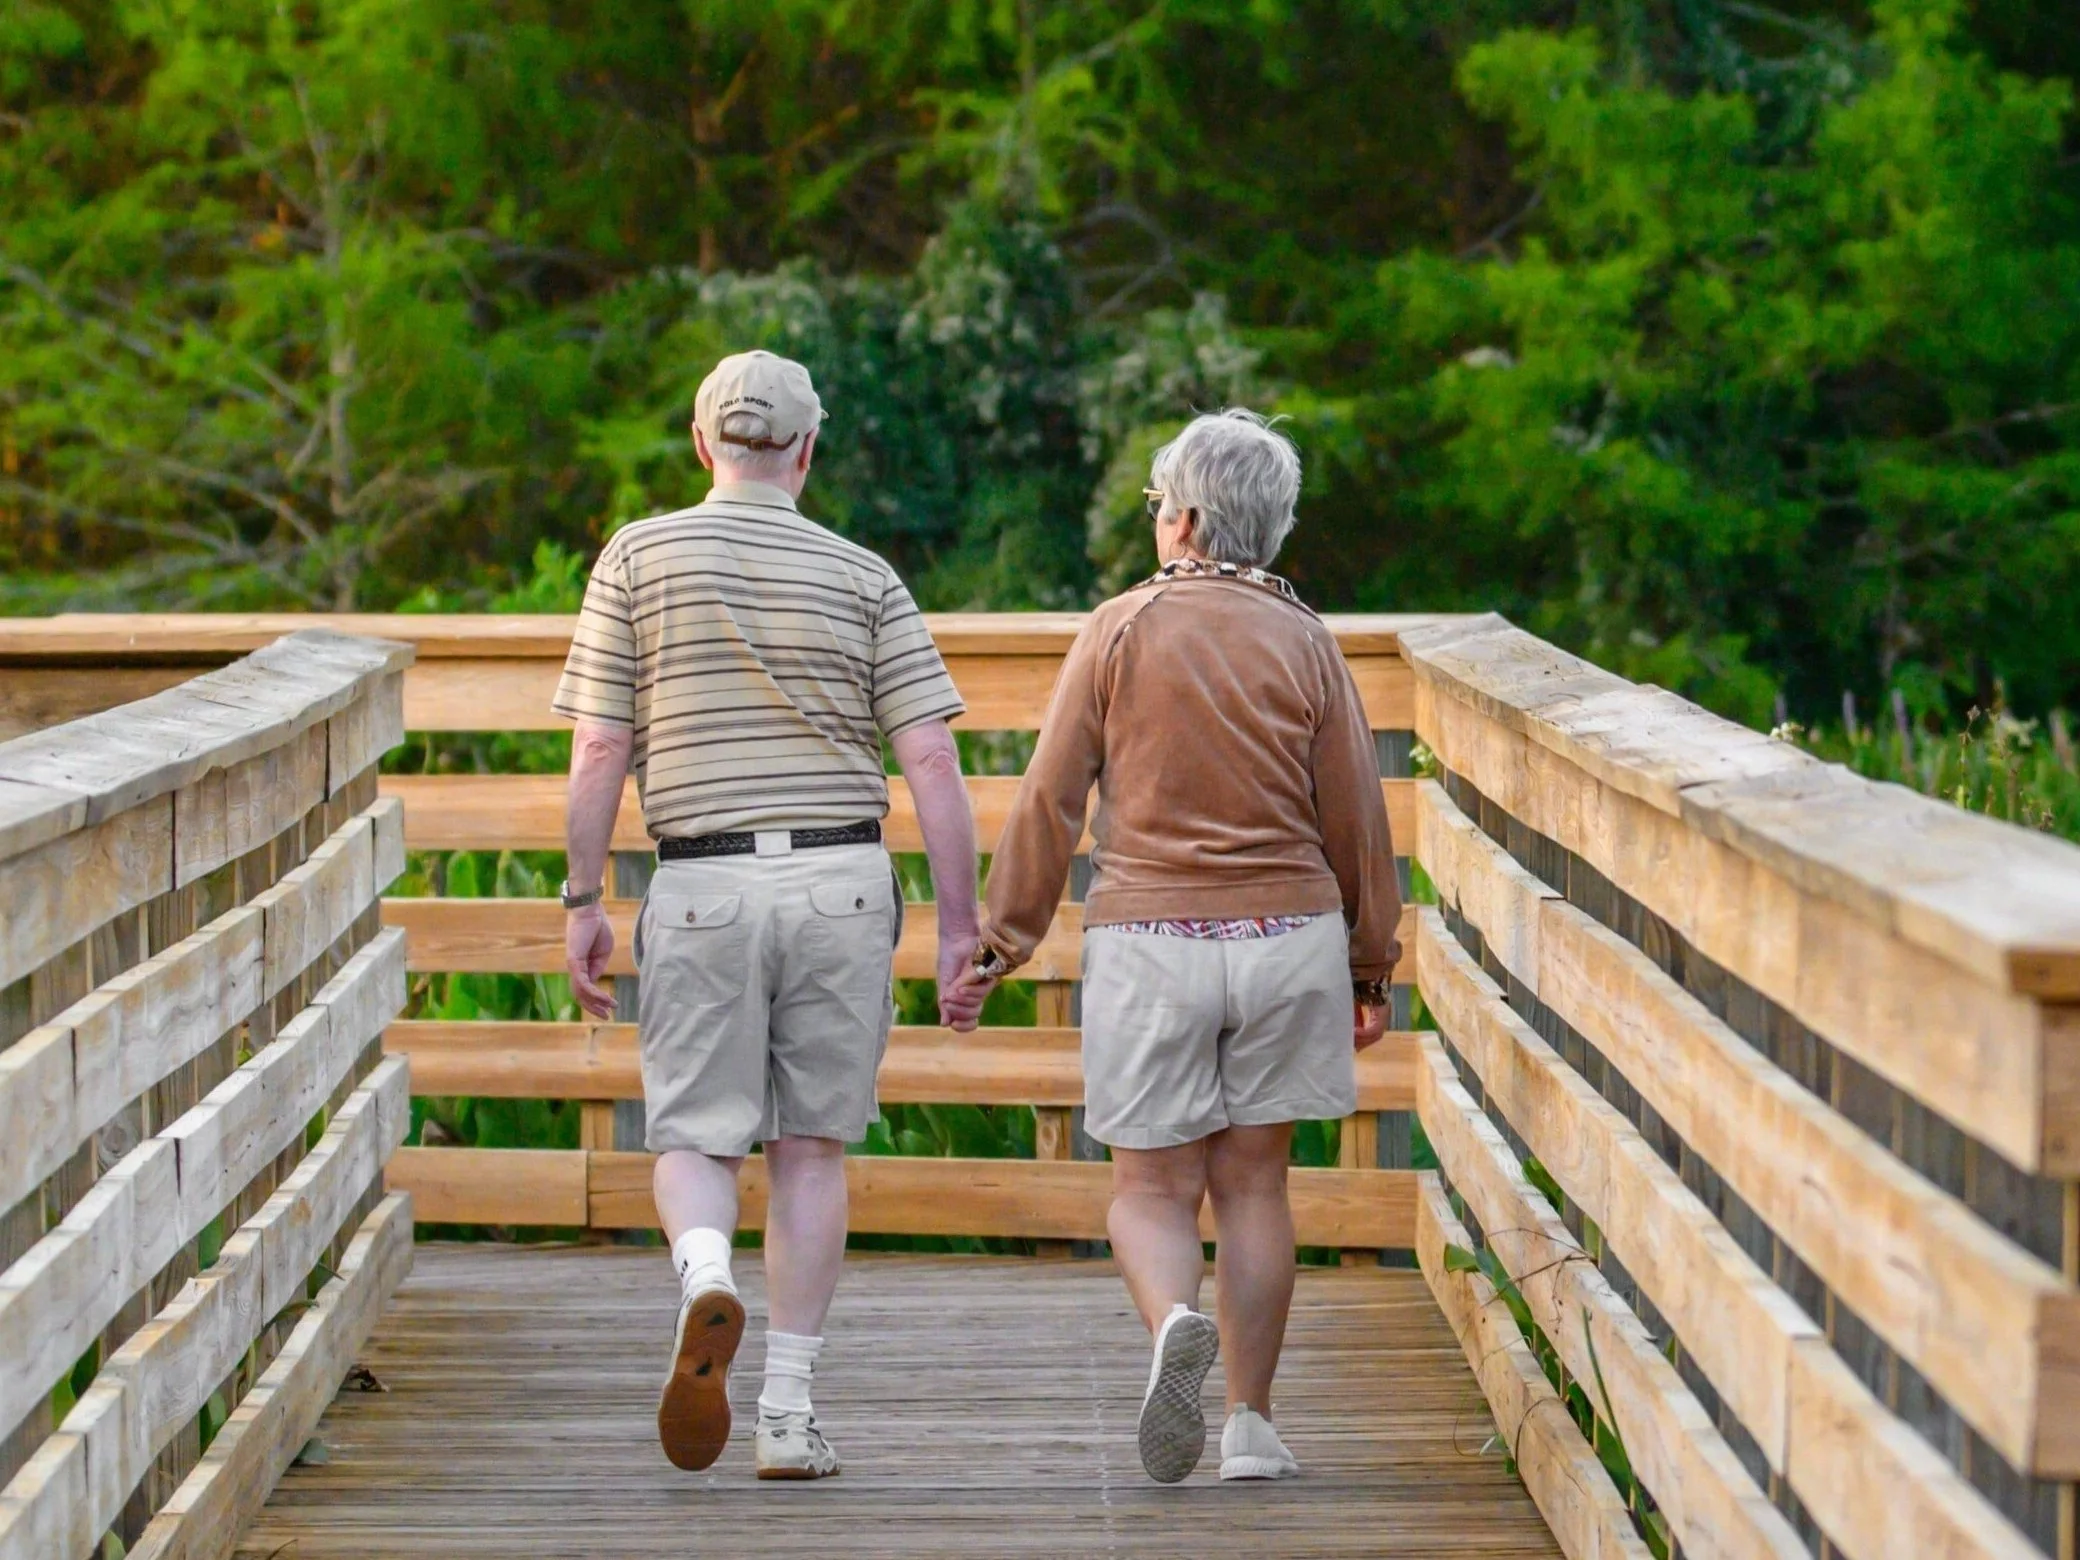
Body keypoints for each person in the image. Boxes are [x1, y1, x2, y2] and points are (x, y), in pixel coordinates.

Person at [555, 350, 986, 1481]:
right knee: (809, 1151)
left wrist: (583, 896)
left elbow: (601, 743)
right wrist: (957, 927)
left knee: (697, 1133)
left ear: (703, 445)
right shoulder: (864, 575)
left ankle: (705, 1272)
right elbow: (932, 757)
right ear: (806, 450)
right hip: (842, 884)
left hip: (700, 881)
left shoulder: (637, 558)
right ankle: (788, 1417)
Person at [953, 409, 1400, 1485]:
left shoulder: (1117, 628)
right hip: (1286, 937)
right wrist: (1368, 963)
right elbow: (1355, 814)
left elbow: (1052, 798)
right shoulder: (1306, 638)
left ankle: (1169, 1328)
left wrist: (998, 942)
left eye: (1159, 506)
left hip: (1151, 937)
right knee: (1255, 1187)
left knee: (1150, 1190)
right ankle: (1249, 1425)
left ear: (1187, 518)